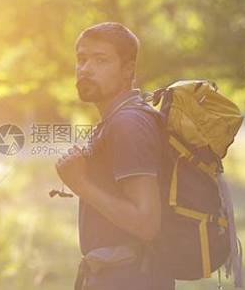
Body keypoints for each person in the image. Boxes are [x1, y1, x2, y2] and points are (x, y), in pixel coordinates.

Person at [55, 22, 175, 289]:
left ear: (127, 70)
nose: (86, 69)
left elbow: (146, 223)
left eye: (101, 60)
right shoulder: (119, 119)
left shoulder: (128, 124)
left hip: (130, 278)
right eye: (82, 59)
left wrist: (81, 184)